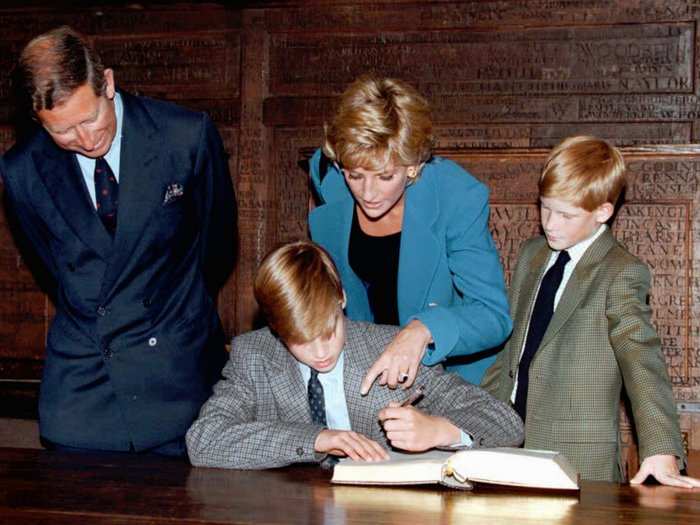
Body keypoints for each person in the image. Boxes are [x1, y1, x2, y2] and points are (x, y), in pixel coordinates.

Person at [0, 26, 236, 455]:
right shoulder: (22, 170)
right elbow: (52, 267)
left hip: (176, 370)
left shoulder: (184, 135)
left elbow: (217, 245)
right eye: (63, 132)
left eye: (90, 118)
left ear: (107, 83)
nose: (86, 140)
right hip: (85, 381)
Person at [481, 136, 699, 487]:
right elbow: (510, 352)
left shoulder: (621, 271)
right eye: (544, 207)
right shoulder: (531, 255)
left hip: (579, 461)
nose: (550, 223)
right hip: (504, 444)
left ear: (603, 212)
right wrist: (474, 421)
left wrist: (661, 449)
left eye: (566, 215)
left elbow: (640, 358)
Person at [186, 241, 522, 469]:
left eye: (328, 332)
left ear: (342, 298)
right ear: (275, 328)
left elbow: (507, 423)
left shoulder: (392, 350)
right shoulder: (254, 356)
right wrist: (317, 439)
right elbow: (204, 440)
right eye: (299, 341)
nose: (320, 352)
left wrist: (440, 431)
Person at [308, 75, 511, 392]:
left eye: (386, 176)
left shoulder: (455, 196)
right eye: (356, 175)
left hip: (453, 379)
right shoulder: (332, 184)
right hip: (368, 373)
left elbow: (493, 316)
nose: (368, 192)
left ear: (413, 165)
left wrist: (423, 330)